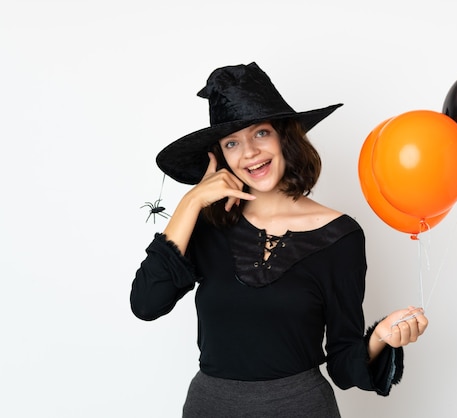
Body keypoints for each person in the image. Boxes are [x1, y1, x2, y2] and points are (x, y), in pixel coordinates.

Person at [130, 62, 428, 417]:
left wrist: (380, 338)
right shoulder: (207, 223)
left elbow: (344, 366)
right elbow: (147, 303)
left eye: (260, 133)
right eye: (232, 142)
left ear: (284, 136)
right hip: (210, 408)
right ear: (221, 156)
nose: (249, 153)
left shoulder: (342, 236)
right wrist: (191, 201)